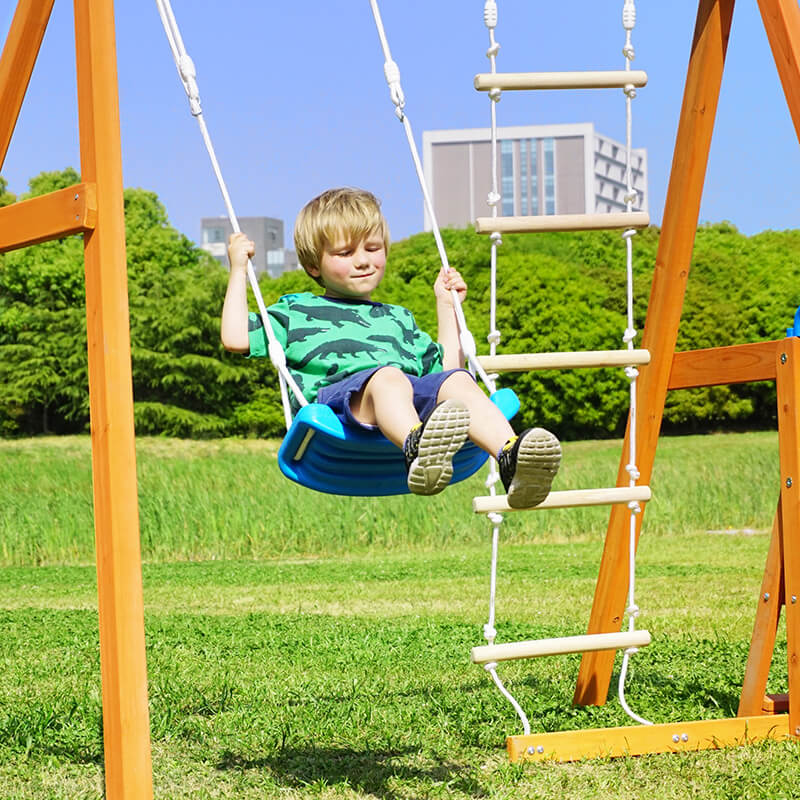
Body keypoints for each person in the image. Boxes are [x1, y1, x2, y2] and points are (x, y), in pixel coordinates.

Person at [220, 187, 560, 506]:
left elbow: (444, 374)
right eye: (345, 253)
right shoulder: (297, 311)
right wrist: (238, 269)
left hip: (408, 404)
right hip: (342, 411)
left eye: (372, 248)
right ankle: (418, 448)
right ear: (313, 265)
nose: (363, 261)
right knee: (388, 378)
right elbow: (235, 338)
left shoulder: (399, 318)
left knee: (458, 382)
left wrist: (446, 306)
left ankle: (511, 459)